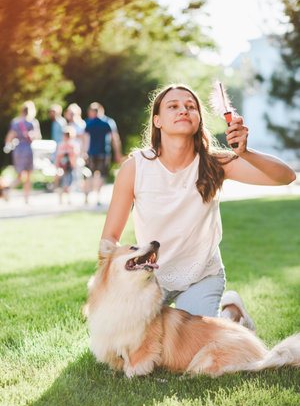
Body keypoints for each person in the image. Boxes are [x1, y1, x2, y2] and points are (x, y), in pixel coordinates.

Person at [100, 84, 296, 330]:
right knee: (133, 342)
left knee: (194, 347)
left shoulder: (216, 163)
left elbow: (286, 176)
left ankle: (233, 318)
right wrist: (116, 278)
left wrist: (245, 153)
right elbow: (110, 237)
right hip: (149, 276)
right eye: (173, 106)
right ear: (157, 121)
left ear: (198, 120)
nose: (183, 110)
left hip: (201, 276)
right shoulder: (135, 168)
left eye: (190, 107)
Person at [4, 101, 41, 203]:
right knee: (29, 175)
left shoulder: (15, 122)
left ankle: (8, 189)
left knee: (20, 175)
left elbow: (10, 136)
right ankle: (26, 199)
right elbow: (37, 136)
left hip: (18, 149)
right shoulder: (33, 122)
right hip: (28, 149)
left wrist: (8, 145)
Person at [83, 104, 117, 205]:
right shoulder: (107, 123)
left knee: (90, 174)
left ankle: (87, 196)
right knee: (101, 175)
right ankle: (98, 197)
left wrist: (84, 152)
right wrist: (117, 152)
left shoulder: (89, 123)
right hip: (103, 152)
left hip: (91, 153)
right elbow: (114, 138)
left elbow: (86, 139)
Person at [55, 126, 79, 204]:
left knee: (67, 182)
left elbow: (58, 157)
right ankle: (66, 198)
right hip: (67, 166)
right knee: (68, 183)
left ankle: (64, 197)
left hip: (67, 166)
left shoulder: (62, 145)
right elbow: (75, 155)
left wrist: (57, 165)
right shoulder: (72, 145)